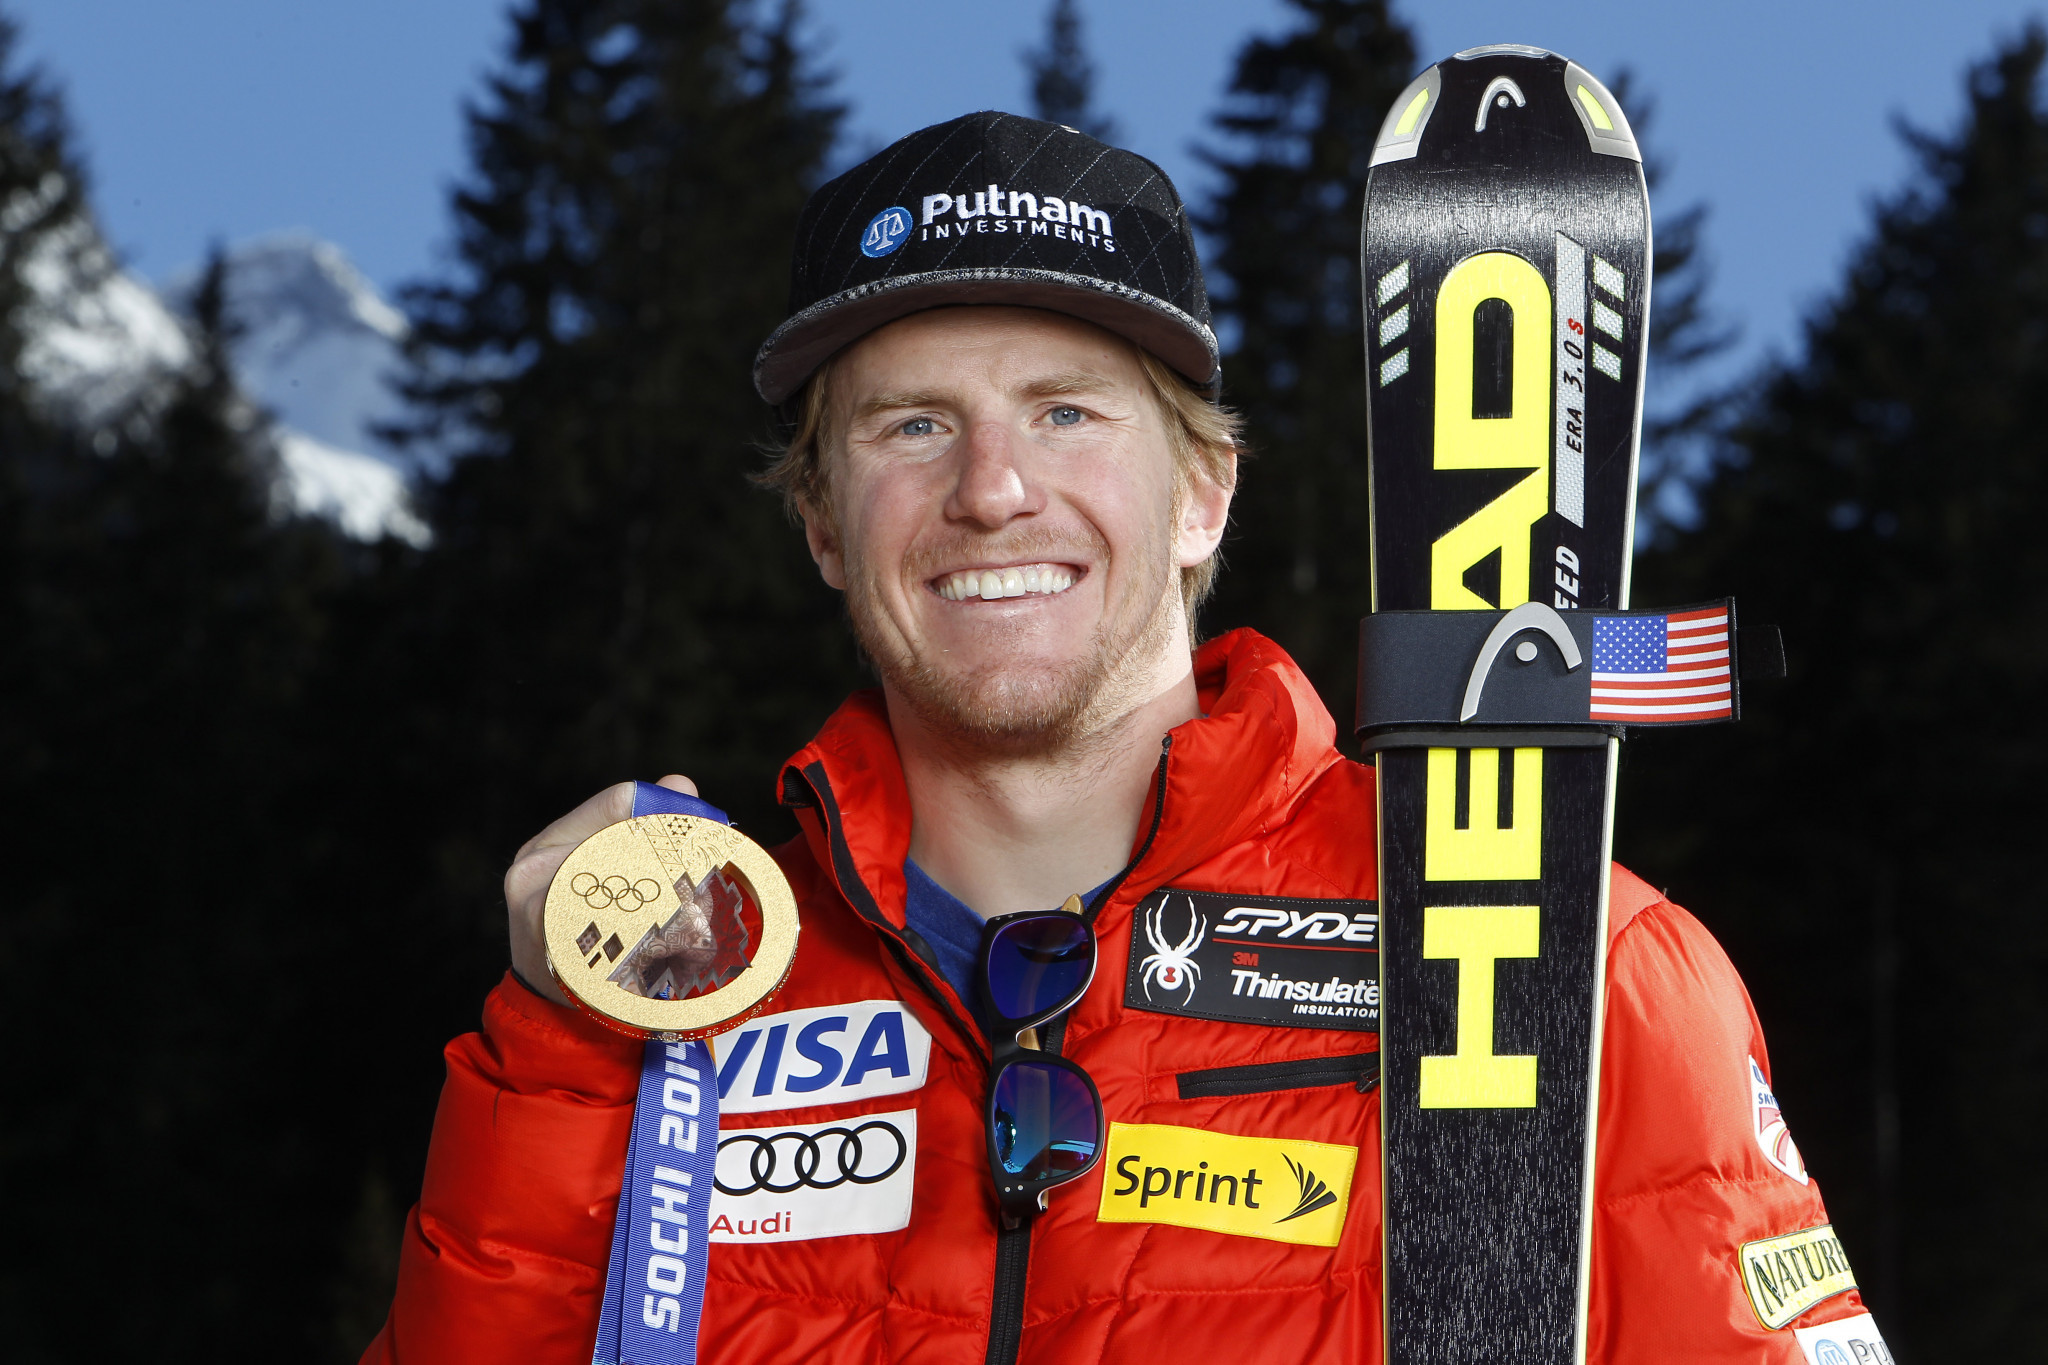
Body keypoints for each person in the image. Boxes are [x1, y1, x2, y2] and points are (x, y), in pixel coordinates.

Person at [365, 112, 1874, 1364]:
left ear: (1206, 491)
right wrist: (561, 1049)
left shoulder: (1558, 955)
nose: (994, 488)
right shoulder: (666, 1003)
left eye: (1069, 411)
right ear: (822, 521)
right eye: (911, 426)